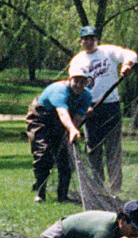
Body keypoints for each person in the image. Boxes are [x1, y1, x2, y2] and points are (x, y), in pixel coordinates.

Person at [67, 25, 138, 192]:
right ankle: (98, 188)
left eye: (92, 38)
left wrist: (126, 64)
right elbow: (74, 87)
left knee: (113, 149)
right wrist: (82, 107)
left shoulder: (108, 51)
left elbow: (131, 54)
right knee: (93, 150)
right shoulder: (77, 61)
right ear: (80, 42)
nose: (89, 42)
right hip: (89, 108)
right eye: (86, 39)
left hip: (111, 106)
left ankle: (115, 189)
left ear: (96, 40)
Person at [26, 69, 93, 203]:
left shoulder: (87, 96)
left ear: (87, 82)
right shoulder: (59, 91)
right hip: (41, 118)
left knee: (65, 155)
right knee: (43, 152)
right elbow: (62, 113)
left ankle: (63, 196)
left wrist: (72, 130)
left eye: (83, 81)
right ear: (69, 79)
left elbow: (79, 116)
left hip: (63, 121)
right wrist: (72, 129)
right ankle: (40, 193)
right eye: (76, 80)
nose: (79, 85)